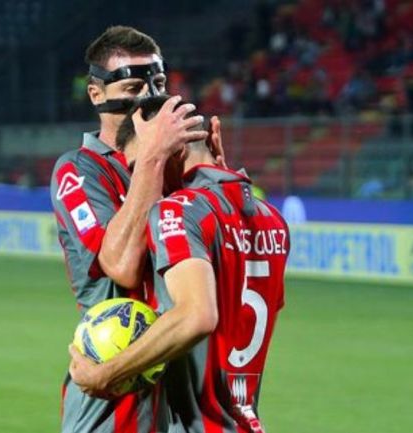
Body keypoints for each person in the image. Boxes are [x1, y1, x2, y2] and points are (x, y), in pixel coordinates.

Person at [69, 96, 290, 433]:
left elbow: (197, 315)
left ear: (174, 150)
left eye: (140, 164)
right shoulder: (272, 219)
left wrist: (107, 373)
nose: (137, 182)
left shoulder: (177, 209)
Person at [50, 25, 218, 433]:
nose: (149, 97)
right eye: (132, 85)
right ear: (96, 94)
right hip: (117, 392)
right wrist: (153, 160)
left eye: (158, 82)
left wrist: (215, 176)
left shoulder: (178, 167)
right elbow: (122, 266)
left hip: (186, 389)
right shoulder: (78, 171)